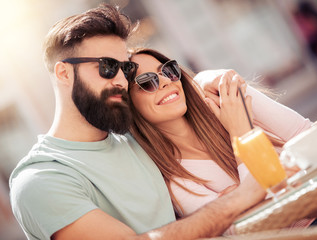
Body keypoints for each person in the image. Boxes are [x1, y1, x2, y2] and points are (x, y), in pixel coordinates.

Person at [9, 4, 267, 240]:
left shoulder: (136, 138)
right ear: (64, 72)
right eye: (107, 67)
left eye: (126, 69)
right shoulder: (41, 180)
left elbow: (167, 94)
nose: (121, 80)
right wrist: (242, 197)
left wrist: (206, 81)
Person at [127, 48, 313, 233]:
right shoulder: (176, 182)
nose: (166, 81)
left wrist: (244, 199)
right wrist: (240, 133)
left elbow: (309, 136)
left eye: (168, 71)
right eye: (147, 82)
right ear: (129, 104)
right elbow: (251, 227)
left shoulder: (225, 97)